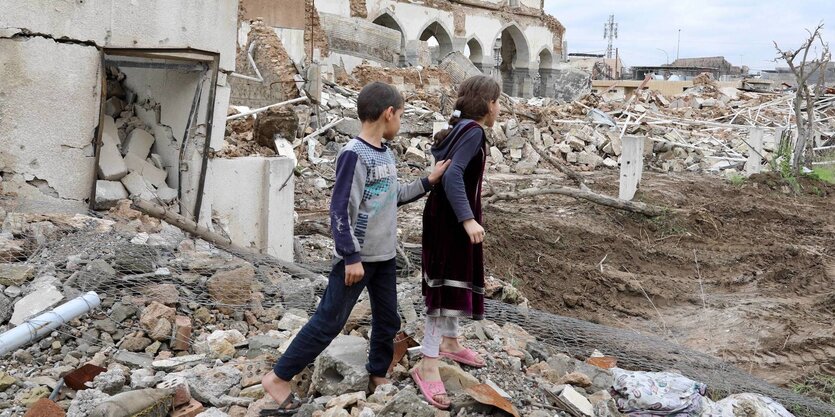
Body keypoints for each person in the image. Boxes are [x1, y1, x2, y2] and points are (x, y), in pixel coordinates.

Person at [260, 82, 451, 416]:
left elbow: (394, 196)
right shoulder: (353, 154)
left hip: (384, 257)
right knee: (329, 321)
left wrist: (427, 181)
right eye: (401, 115)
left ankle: (378, 373)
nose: (401, 122)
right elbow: (339, 209)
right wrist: (350, 256)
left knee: (388, 318)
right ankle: (278, 378)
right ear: (388, 113)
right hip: (357, 260)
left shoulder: (385, 153)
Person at [412, 75, 502, 409]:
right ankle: (429, 363)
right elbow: (451, 175)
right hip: (451, 222)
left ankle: (449, 342)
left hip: (443, 217)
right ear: (488, 104)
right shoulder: (474, 131)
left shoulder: (461, 128)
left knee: (449, 284)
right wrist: (468, 219)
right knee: (443, 291)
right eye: (498, 101)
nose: (499, 108)